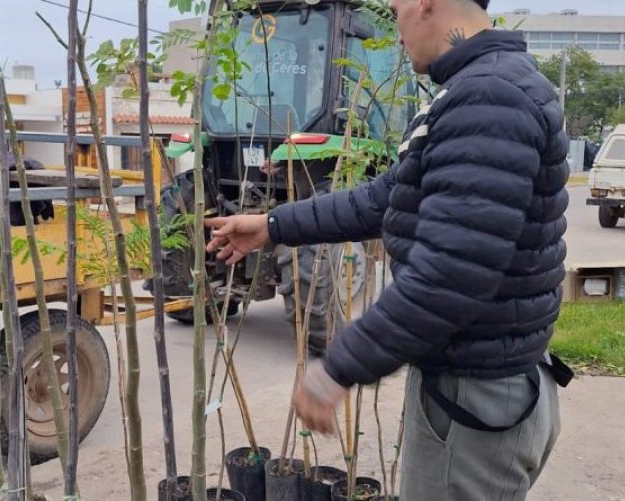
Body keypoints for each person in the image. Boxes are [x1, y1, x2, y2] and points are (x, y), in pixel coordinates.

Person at [205, 0, 573, 499]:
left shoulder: (487, 97)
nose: (396, 27)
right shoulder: (479, 87)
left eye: (397, 9)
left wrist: (337, 368)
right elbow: (385, 197)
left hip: (475, 398)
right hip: (486, 384)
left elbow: (449, 276)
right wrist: (272, 224)